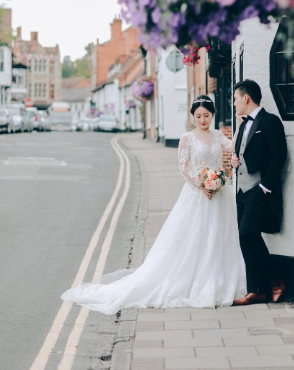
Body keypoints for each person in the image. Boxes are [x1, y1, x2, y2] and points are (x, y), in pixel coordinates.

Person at [61, 95, 246, 314]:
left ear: (212, 115)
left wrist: (240, 122)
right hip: (197, 193)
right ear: (193, 116)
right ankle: (190, 279)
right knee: (193, 237)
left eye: (206, 115)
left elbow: (233, 145)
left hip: (218, 194)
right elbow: (184, 167)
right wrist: (200, 184)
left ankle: (218, 279)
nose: (203, 120)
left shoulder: (217, 136)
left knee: (219, 235)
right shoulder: (188, 138)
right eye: (198, 116)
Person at [231, 80, 287, 306]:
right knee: (244, 239)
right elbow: (243, 153)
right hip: (242, 191)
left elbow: (279, 155)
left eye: (235, 99)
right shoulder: (243, 125)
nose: (234, 104)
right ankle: (257, 290)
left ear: (246, 98)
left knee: (248, 234)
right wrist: (235, 161)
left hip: (259, 190)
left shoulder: (270, 121)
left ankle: (275, 279)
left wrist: (265, 186)